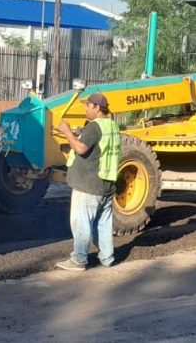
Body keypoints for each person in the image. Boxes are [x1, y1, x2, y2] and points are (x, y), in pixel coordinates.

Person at [55, 92, 120, 271]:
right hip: (106, 184)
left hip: (88, 185)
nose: (85, 108)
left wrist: (67, 131)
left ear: (97, 108)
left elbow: (81, 148)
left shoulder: (94, 126)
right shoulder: (113, 126)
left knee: (81, 223)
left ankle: (79, 260)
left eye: (88, 106)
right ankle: (107, 258)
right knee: (104, 224)